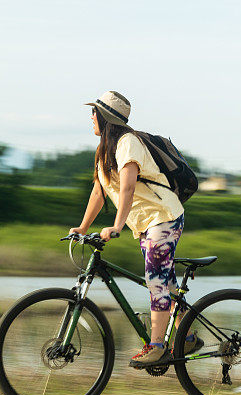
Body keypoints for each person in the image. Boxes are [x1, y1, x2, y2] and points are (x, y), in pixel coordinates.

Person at [69, 90, 202, 368]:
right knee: (165, 281)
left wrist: (117, 225)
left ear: (104, 117)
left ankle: (156, 347)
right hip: (146, 224)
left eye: (94, 112)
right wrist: (82, 227)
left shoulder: (128, 143)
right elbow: (98, 192)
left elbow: (128, 186)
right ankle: (187, 336)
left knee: (156, 279)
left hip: (163, 217)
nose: (91, 117)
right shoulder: (104, 150)